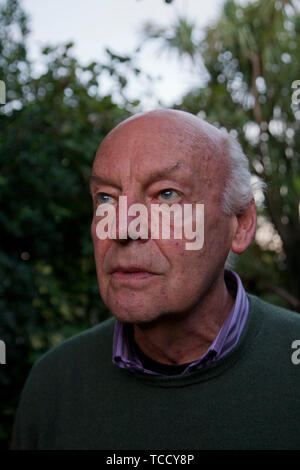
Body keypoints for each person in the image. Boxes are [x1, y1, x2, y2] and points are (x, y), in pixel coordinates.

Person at [11, 109, 300, 450]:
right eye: (106, 198)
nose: (121, 227)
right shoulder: (54, 383)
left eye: (166, 195)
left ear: (241, 224)